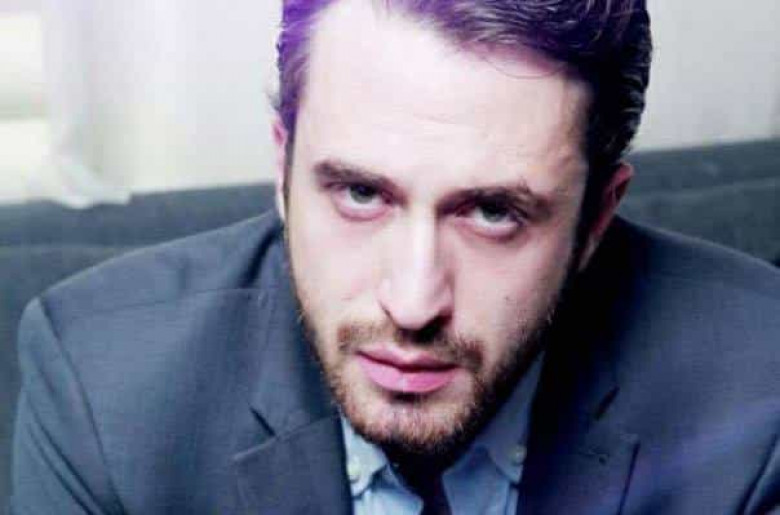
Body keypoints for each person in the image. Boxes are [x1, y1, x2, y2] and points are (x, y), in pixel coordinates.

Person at [11, 0, 780, 513]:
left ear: (595, 219)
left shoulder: (760, 388)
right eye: (359, 194)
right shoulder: (102, 385)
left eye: (493, 212)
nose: (412, 304)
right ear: (282, 169)